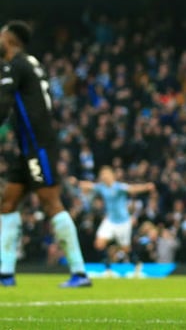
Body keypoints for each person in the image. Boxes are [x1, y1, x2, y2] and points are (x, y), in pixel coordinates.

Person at [0, 20, 92, 287]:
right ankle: (5, 273)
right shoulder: (32, 63)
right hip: (27, 146)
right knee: (8, 202)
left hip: (37, 145)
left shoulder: (15, 65)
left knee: (51, 203)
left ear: (10, 39)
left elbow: (3, 103)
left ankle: (79, 272)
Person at [71, 166, 155, 273]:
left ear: (111, 176)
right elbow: (89, 185)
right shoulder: (102, 187)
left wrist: (146, 187)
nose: (104, 177)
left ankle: (137, 264)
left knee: (126, 249)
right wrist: (77, 182)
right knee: (99, 243)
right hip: (110, 221)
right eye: (102, 175)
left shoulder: (119, 187)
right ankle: (108, 268)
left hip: (123, 222)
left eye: (106, 174)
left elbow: (133, 189)